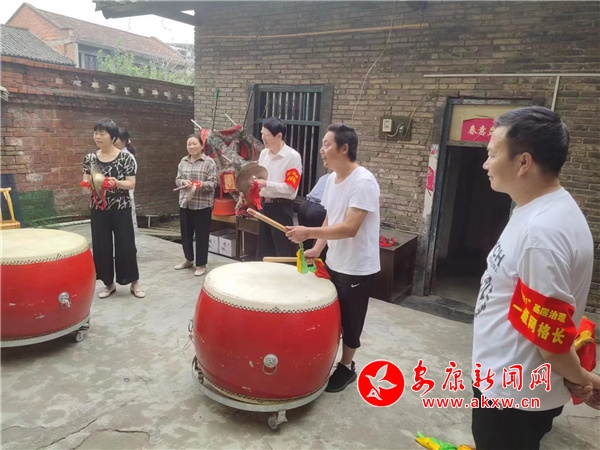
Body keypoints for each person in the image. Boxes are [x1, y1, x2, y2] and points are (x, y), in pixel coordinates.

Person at [471, 106, 599, 449]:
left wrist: (582, 379)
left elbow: (551, 340)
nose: (485, 164)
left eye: (492, 154)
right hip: (513, 385)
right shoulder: (543, 209)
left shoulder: (540, 233)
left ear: (523, 162)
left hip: (512, 396)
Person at [286, 123, 380, 393]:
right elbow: (331, 216)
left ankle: (347, 367)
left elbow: (350, 227)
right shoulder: (331, 180)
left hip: (357, 266)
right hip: (335, 260)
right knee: (332, 315)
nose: (322, 150)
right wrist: (317, 247)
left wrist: (308, 232)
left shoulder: (363, 182)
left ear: (344, 148)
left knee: (351, 320)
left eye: (327, 144)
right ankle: (329, 358)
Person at [81, 118, 145, 299]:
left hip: (121, 207)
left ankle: (134, 282)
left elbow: (131, 183)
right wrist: (89, 184)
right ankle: (108, 284)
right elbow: (85, 182)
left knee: (126, 245)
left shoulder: (125, 157)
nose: (97, 137)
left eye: (102, 133)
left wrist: (116, 183)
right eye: (95, 133)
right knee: (101, 246)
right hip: (98, 208)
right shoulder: (90, 158)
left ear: (113, 137)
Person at [253, 116, 302, 259]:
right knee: (264, 249)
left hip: (281, 207)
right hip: (264, 206)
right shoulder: (264, 153)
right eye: (262, 134)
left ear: (279, 136)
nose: (263, 138)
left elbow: (290, 188)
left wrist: (266, 184)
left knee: (282, 250)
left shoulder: (292, 157)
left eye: (267, 135)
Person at [174, 132, 218, 276]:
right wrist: (183, 182)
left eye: (194, 144)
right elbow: (177, 179)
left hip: (202, 205)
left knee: (201, 236)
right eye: (189, 144)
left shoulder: (209, 162)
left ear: (201, 145)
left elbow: (213, 183)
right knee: (186, 234)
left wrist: (199, 184)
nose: (191, 147)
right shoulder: (183, 161)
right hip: (185, 203)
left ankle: (201, 264)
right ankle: (188, 259)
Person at [297, 172, 331, 257]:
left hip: (305, 206)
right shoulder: (337, 179)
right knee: (320, 237)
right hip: (319, 208)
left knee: (305, 239)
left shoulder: (326, 176)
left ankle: (303, 259)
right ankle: (317, 261)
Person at [115, 127, 138, 234]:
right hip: (112, 198)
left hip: (124, 196)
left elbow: (130, 181)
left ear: (124, 140)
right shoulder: (112, 154)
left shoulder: (128, 157)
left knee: (125, 229)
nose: (113, 141)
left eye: (116, 138)